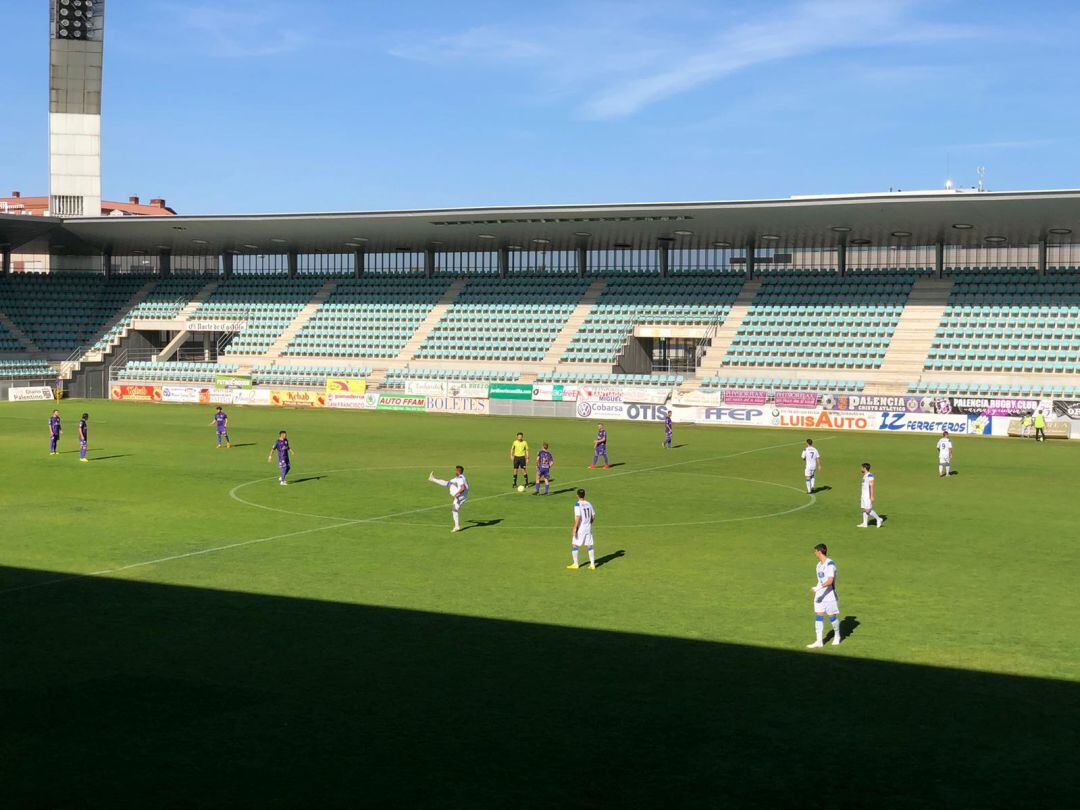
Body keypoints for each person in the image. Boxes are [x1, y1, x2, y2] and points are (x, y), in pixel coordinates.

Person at [807, 543, 841, 648]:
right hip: (820, 595)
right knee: (819, 616)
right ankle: (819, 641)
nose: (815, 553)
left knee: (832, 617)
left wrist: (818, 588)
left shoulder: (830, 564)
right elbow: (820, 580)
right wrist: (817, 590)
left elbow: (830, 580)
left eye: (816, 551)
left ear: (819, 552)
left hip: (830, 596)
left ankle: (837, 635)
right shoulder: (818, 565)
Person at [429, 465, 469, 533]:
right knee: (454, 509)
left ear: (458, 471)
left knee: (450, 485)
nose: (455, 471)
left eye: (456, 470)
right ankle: (432, 479)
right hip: (464, 496)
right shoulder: (460, 477)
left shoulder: (460, 479)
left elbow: (463, 488)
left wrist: (456, 494)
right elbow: (447, 482)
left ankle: (457, 526)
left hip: (460, 496)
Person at [568, 488, 597, 570]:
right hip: (588, 528)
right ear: (584, 495)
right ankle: (592, 564)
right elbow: (593, 515)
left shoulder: (577, 504)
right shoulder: (589, 503)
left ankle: (575, 564)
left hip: (581, 528)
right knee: (589, 545)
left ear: (577, 495)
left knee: (574, 544)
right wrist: (590, 523)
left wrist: (575, 528)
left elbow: (578, 517)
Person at [858, 462, 884, 528]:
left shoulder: (870, 475)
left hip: (867, 496)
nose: (861, 469)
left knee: (868, 510)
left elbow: (871, 486)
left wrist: (872, 496)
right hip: (863, 496)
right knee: (864, 509)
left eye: (862, 467)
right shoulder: (865, 475)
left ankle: (878, 519)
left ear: (864, 468)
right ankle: (865, 524)